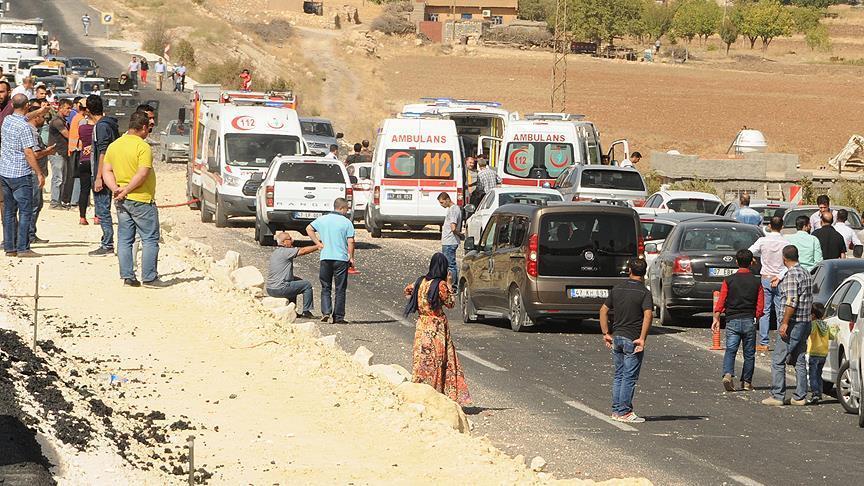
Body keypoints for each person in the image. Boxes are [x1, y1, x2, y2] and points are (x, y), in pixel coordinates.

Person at [101, 111, 162, 288]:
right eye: (148, 128)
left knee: (125, 239)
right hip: (141, 199)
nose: (148, 132)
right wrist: (127, 190)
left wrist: (116, 189)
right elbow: (142, 174)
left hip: (121, 200)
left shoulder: (114, 145)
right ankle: (149, 277)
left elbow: (106, 171)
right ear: (143, 127)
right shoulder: (143, 147)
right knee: (149, 238)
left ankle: (128, 276)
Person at [403, 252, 471, 406]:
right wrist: (449, 283)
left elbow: (407, 290)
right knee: (438, 361)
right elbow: (450, 303)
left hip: (422, 324)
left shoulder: (420, 281)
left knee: (421, 360)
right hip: (436, 327)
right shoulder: (440, 285)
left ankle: (419, 392)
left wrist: (418, 301)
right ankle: (436, 394)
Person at [599, 258, 653, 423]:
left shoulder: (617, 289)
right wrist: (642, 338)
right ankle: (625, 412)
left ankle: (616, 411)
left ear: (629, 270)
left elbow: (603, 310)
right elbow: (648, 315)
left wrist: (606, 333)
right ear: (644, 272)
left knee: (619, 375)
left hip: (617, 337)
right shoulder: (644, 292)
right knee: (629, 377)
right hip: (632, 339)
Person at [763, 245, 813, 407]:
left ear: (784, 259)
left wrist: (784, 322)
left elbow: (791, 301)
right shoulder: (805, 272)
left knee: (778, 359)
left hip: (793, 323)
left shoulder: (791, 275)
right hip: (805, 322)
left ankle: (777, 395)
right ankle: (800, 396)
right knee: (799, 358)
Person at [712, 249, 764, 392]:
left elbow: (721, 300)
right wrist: (757, 317)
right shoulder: (756, 281)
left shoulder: (729, 280)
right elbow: (760, 305)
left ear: (736, 262)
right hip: (749, 320)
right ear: (751, 262)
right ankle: (746, 382)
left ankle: (728, 374)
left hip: (732, 320)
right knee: (749, 353)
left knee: (731, 350)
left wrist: (716, 318)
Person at [0, 94, 44, 258]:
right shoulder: (25, 127)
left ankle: (10, 247)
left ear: (12, 105)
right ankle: (23, 248)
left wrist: (40, 110)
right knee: (25, 212)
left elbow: (23, 116)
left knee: (9, 212)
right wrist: (39, 172)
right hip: (20, 173)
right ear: (26, 106)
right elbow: (28, 152)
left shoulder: (7, 120)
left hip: (5, 172)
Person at [306, 198, 355, 324]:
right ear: (342, 208)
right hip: (341, 259)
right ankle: (338, 317)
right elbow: (351, 241)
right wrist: (351, 257)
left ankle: (326, 312)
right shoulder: (346, 222)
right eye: (346, 209)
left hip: (325, 257)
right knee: (340, 288)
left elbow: (309, 228)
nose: (346, 211)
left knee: (325, 286)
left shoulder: (323, 219)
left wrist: (318, 243)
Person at [749, 216, 788, 352]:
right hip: (780, 279)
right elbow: (789, 264)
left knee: (765, 311)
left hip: (766, 278)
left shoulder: (762, 241)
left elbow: (749, 252)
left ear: (769, 226)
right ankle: (780, 342)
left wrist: (752, 259)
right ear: (782, 227)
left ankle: (764, 342)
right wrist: (779, 275)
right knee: (780, 311)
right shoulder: (786, 242)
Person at [89, 94, 120, 257]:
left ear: (88, 110)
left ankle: (107, 243)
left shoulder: (100, 127)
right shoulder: (110, 124)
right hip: (112, 172)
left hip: (104, 174)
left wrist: (99, 177)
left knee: (102, 210)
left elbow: (103, 152)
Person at [266, 232, 318, 319]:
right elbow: (303, 251)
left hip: (270, 288)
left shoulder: (276, 252)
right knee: (307, 285)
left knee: (296, 282)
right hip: (279, 289)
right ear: (284, 242)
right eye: (290, 239)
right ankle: (306, 311)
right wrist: (318, 246)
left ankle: (292, 310)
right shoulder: (286, 251)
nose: (292, 240)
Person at [26, 106, 56, 244]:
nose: (44, 120)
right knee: (34, 204)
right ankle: (29, 234)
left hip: (34, 172)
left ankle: (30, 233)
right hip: (33, 173)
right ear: (36, 117)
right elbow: (34, 154)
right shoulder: (32, 132)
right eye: (43, 117)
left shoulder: (32, 130)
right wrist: (48, 151)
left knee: (36, 204)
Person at [806, 303, 837, 405]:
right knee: (819, 374)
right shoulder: (825, 325)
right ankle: (819, 393)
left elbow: (809, 332)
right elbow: (831, 336)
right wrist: (835, 329)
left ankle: (815, 393)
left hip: (814, 352)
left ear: (813, 315)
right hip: (823, 353)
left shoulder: (813, 324)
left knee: (813, 375)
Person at [49, 98, 72, 209]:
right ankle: (54, 202)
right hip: (57, 153)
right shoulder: (57, 122)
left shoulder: (63, 121)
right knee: (58, 178)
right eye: (67, 108)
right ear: (61, 108)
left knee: (63, 178)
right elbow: (68, 135)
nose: (69, 110)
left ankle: (59, 201)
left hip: (62, 152)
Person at [437, 192, 462, 289]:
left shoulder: (453, 210)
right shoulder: (453, 209)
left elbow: (453, 227)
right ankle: (451, 285)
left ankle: (453, 286)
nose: (441, 205)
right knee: (449, 264)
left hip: (450, 241)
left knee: (450, 265)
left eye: (442, 202)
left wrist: (460, 234)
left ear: (447, 199)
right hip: (448, 241)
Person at [76, 116, 95, 225]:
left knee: (84, 190)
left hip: (84, 159)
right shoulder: (99, 128)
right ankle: (97, 216)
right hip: (95, 161)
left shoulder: (82, 128)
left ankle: (82, 217)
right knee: (98, 190)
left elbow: (81, 142)